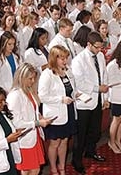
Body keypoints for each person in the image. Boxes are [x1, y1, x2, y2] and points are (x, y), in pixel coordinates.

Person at [71, 32, 109, 174]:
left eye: (101, 47)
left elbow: (104, 75)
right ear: (89, 44)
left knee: (95, 130)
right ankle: (77, 160)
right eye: (97, 47)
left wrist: (105, 97)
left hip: (98, 99)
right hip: (84, 102)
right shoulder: (79, 60)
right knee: (81, 134)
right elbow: (79, 83)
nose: (100, 50)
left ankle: (91, 151)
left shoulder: (100, 56)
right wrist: (97, 88)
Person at [38, 45, 78, 175]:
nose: (65, 61)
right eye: (62, 58)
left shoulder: (67, 71)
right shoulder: (47, 74)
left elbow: (71, 88)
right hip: (55, 113)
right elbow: (42, 96)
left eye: (66, 58)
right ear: (54, 59)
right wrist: (60, 99)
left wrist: (76, 95)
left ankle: (62, 166)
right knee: (55, 143)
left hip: (68, 110)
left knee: (65, 141)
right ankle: (54, 169)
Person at [7, 63, 52, 175]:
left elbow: (32, 110)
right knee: (27, 170)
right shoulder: (15, 96)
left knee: (35, 169)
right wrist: (37, 123)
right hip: (24, 138)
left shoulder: (29, 91)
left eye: (34, 78)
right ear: (22, 77)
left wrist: (40, 117)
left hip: (33, 136)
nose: (32, 81)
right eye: (30, 78)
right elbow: (15, 122)